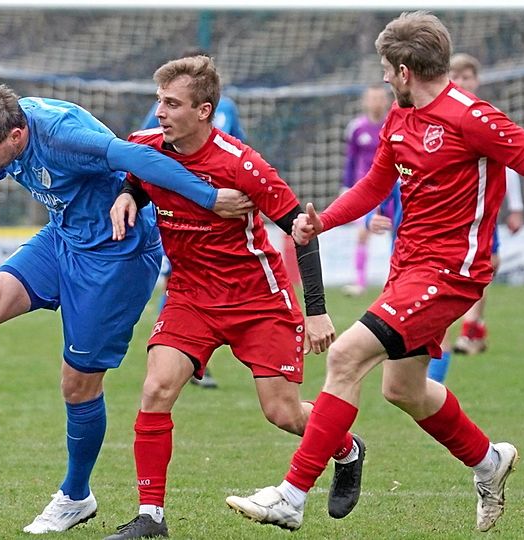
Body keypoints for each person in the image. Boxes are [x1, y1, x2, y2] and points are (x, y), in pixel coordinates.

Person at [0, 82, 254, 534]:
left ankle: (76, 496)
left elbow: (136, 156)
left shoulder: (62, 136)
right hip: (64, 237)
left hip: (116, 256)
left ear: (16, 137)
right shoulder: (5, 134)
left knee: (78, 384)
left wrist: (209, 197)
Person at [225, 11, 524, 533]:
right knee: (404, 389)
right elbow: (375, 184)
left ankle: (291, 496)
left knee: (345, 356)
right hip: (409, 267)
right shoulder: (399, 116)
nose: (385, 79)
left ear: (405, 71)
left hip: (451, 272)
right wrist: (325, 221)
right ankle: (489, 462)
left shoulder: (472, 117)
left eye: (387, 70)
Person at [103, 54, 365, 540]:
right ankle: (151, 516)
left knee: (282, 412)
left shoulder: (243, 164)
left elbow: (301, 231)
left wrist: (317, 312)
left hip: (257, 300)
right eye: (159, 101)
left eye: (172, 103)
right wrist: (127, 195)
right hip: (190, 296)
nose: (160, 112)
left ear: (204, 111)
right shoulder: (145, 145)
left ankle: (347, 450)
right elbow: (137, 177)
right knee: (156, 389)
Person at [140, 49, 247, 390]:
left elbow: (238, 145)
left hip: (220, 214)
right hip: (180, 211)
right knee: (178, 280)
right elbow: (144, 153)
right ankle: (181, 356)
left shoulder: (228, 109)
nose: (163, 111)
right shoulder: (162, 112)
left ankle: (193, 356)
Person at [448, 52, 524, 358]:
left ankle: (470, 329)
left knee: (485, 264)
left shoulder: (486, 115)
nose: (461, 82)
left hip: (481, 209)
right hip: (449, 210)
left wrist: (515, 207)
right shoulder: (438, 114)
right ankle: (473, 328)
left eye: (466, 77)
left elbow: (510, 162)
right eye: (455, 76)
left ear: (477, 80)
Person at [341, 83, 392, 297]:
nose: (376, 102)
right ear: (365, 102)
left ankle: (395, 280)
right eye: (372, 98)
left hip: (392, 190)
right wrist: (346, 187)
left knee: (398, 233)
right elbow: (351, 160)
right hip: (366, 190)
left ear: (386, 101)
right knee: (363, 233)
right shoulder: (356, 128)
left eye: (380, 98)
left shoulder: (393, 124)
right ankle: (360, 282)